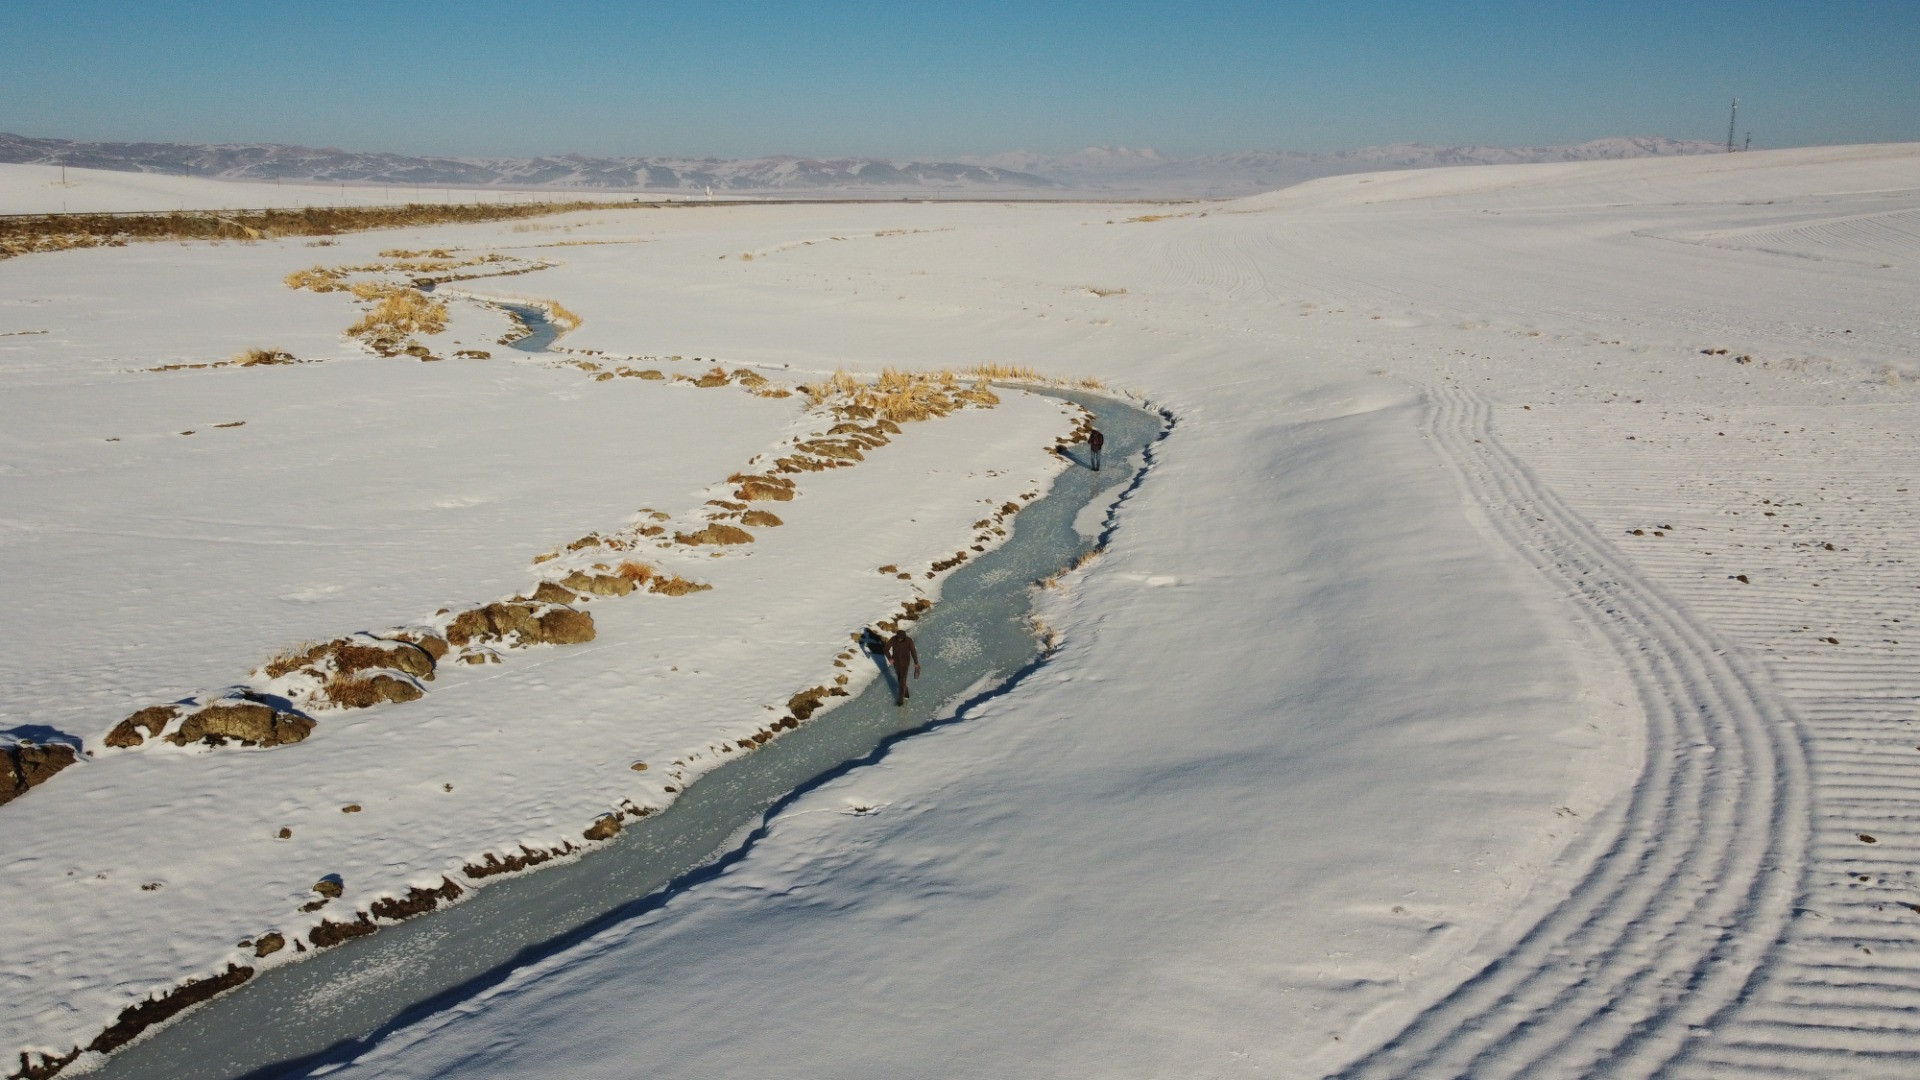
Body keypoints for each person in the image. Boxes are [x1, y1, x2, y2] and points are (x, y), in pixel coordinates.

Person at [884, 629, 921, 706]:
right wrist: (890, 658)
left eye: (901, 638)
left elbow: (913, 652)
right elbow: (886, 649)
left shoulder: (909, 641)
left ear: (904, 637)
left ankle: (901, 700)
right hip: (896, 663)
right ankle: (906, 692)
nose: (899, 639)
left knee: (902, 681)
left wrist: (916, 663)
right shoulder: (893, 639)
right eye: (898, 637)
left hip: (905, 664)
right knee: (900, 680)